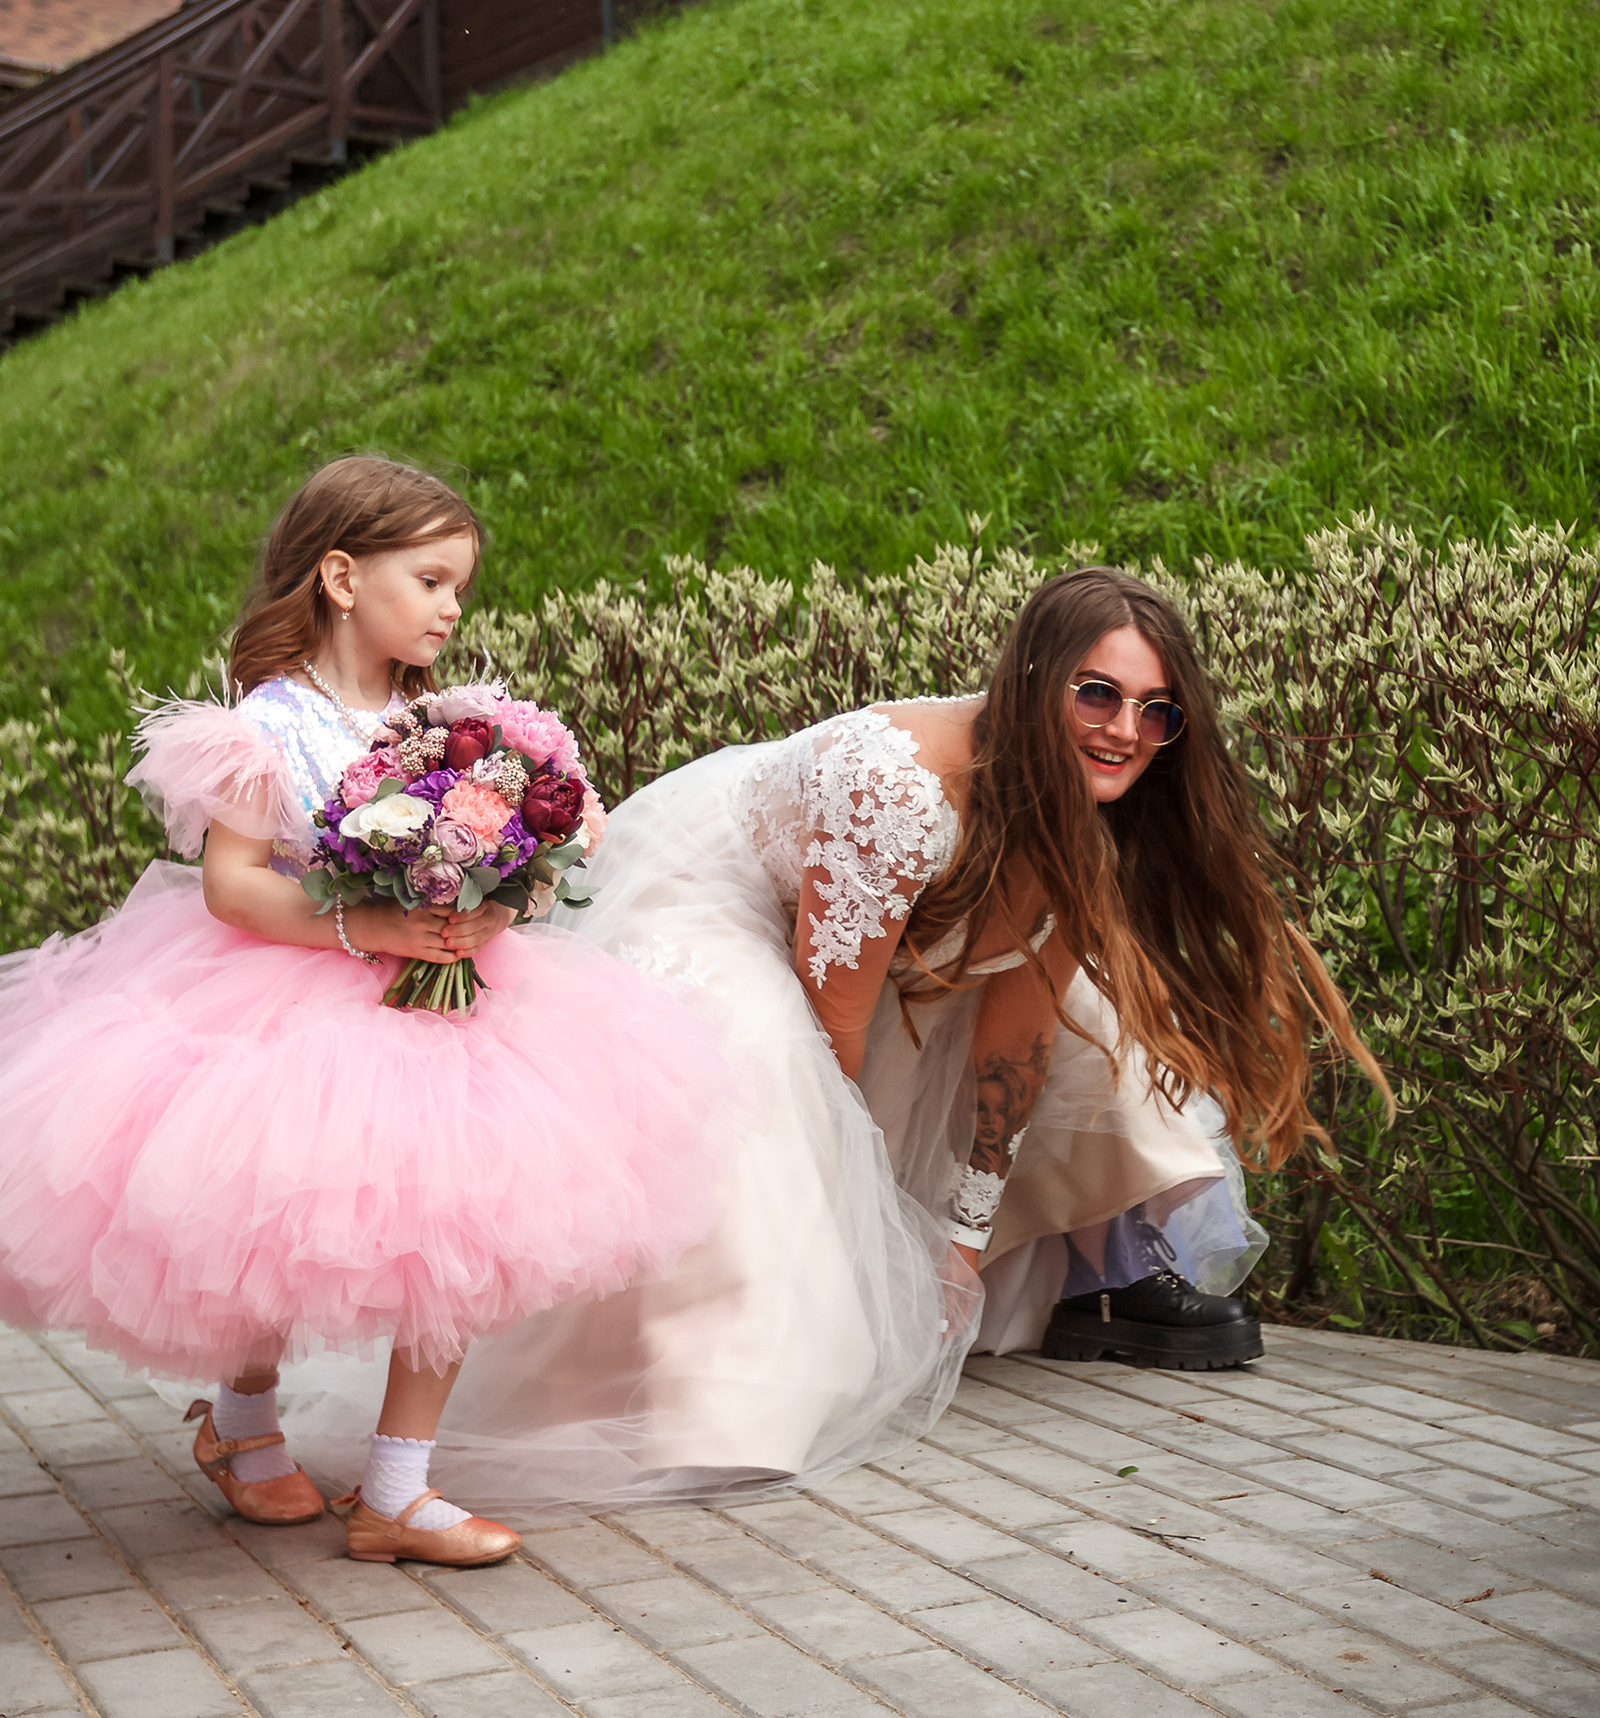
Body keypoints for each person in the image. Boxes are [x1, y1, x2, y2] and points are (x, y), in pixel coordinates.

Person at [278, 563, 1384, 1512]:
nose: (1127, 732)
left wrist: (955, 1241)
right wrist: (857, 1240)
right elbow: (832, 1032)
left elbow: (1015, 1027)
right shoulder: (897, 790)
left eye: (1158, 712)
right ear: (1037, 681)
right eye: (1100, 694)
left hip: (912, 921)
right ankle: (714, 1387)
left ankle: (1087, 1280)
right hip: (731, 898)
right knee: (763, 1074)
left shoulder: (1089, 809)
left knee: (1098, 1023)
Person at [0, 457, 730, 1564]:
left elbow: (509, 853)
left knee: (457, 1228)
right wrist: (371, 928)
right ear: (342, 575)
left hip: (450, 1010)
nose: (450, 608)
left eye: (459, 590)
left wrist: (496, 901)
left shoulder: (447, 730)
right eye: (431, 580)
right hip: (295, 989)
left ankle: (396, 1489)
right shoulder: (268, 725)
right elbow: (235, 884)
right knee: (274, 1218)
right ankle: (243, 1423)